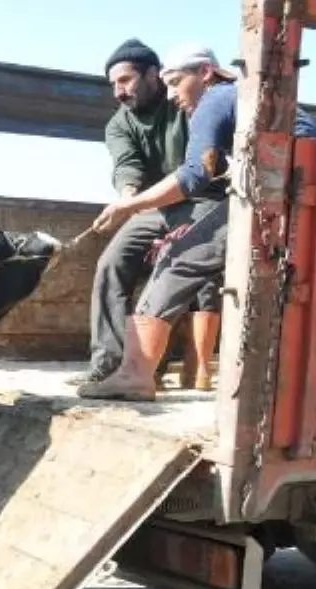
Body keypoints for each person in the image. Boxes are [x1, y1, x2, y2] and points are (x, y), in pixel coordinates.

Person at [79, 44, 316, 402]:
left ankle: (135, 375)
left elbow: (195, 174)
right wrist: (130, 200)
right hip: (300, 189)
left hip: (277, 193)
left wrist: (128, 205)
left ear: (205, 73)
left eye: (177, 83)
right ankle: (119, 365)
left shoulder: (215, 99)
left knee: (177, 260)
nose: (174, 95)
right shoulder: (241, 97)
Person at [70, 39, 194, 388]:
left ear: (153, 74)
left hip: (202, 202)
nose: (118, 92)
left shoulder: (184, 103)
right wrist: (127, 201)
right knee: (112, 263)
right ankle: (107, 362)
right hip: (152, 206)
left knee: (169, 267)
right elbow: (128, 167)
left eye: (125, 81)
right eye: (113, 85)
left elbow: (202, 167)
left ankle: (150, 362)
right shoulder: (118, 124)